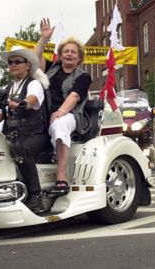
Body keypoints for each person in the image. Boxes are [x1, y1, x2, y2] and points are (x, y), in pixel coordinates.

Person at [34, 18, 92, 192]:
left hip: (70, 115)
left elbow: (74, 96)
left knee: (60, 124)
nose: (69, 54)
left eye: (73, 52)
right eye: (66, 51)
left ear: (79, 57)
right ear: (60, 54)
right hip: (45, 114)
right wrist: (43, 39)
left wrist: (59, 112)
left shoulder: (83, 76)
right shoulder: (52, 68)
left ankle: (61, 173)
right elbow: (34, 60)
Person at [0, 48, 51, 214]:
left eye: (18, 62)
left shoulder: (33, 84)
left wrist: (22, 103)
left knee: (20, 150)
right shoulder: (7, 88)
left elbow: (32, 100)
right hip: (13, 136)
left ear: (27, 65)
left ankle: (36, 196)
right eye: (11, 62)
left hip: (35, 135)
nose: (13, 65)